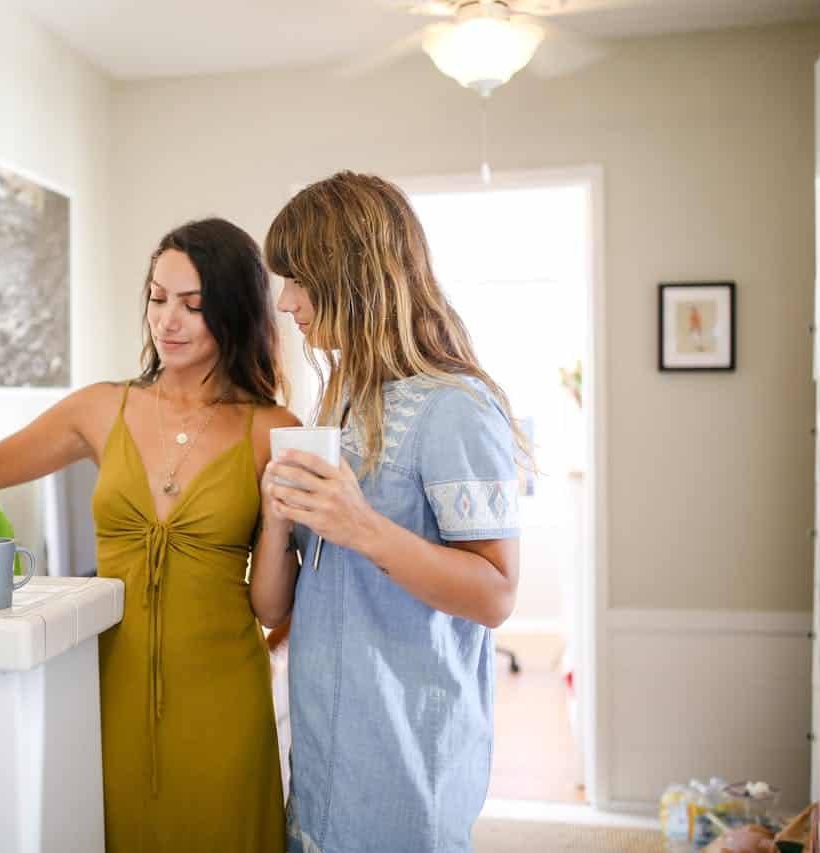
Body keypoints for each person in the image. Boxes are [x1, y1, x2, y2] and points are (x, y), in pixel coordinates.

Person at [0, 218, 297, 852]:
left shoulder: (273, 428)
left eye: (193, 304)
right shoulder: (101, 409)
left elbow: (271, 607)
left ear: (235, 310)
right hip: (106, 688)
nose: (168, 321)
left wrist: (282, 514)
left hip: (226, 699)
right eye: (158, 298)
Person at [250, 172, 525, 853]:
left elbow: (495, 594)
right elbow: (279, 602)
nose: (285, 303)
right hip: (320, 763)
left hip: (406, 771)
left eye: (299, 279)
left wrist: (363, 527)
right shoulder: (338, 403)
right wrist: (279, 517)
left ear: (353, 273)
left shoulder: (455, 407)